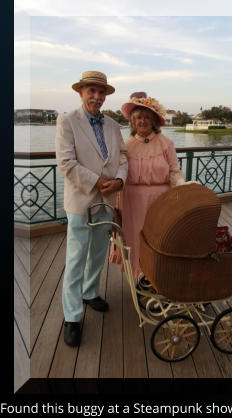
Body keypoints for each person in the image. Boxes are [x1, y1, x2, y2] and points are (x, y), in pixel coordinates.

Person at [56, 70, 128, 347]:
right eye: (91, 91)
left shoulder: (112, 124)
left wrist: (120, 180)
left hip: (107, 200)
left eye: (101, 92)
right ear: (81, 92)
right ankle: (72, 317)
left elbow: (123, 156)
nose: (96, 97)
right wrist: (98, 181)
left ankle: (89, 292)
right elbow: (66, 162)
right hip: (81, 201)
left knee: (98, 251)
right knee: (76, 258)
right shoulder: (67, 121)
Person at [110, 91, 185, 279]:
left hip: (160, 201)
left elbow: (174, 172)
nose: (142, 121)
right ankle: (141, 276)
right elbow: (119, 173)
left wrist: (183, 188)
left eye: (146, 117)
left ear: (153, 121)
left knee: (159, 239)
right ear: (133, 122)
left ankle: (158, 276)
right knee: (136, 239)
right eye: (138, 118)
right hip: (132, 202)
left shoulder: (166, 143)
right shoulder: (125, 146)